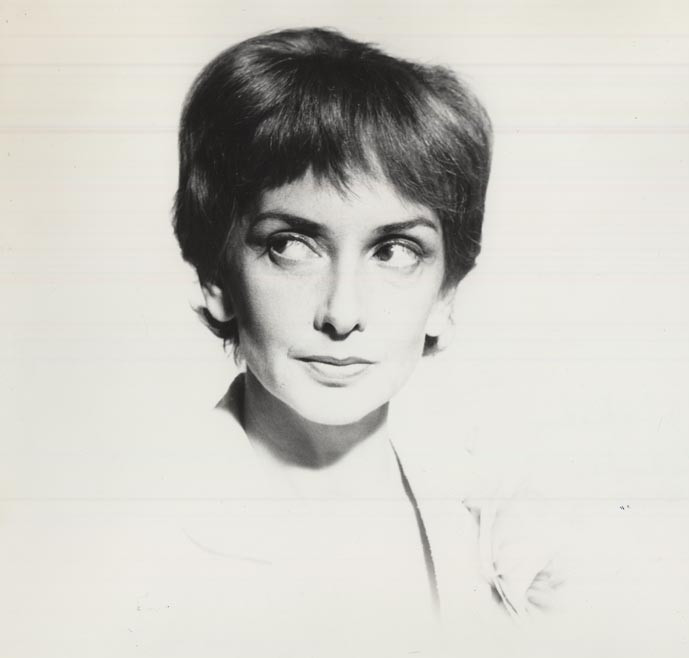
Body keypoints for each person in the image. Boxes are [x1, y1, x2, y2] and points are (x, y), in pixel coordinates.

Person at [172, 27, 563, 655]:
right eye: (290, 245)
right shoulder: (133, 543)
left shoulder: (505, 537)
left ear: (445, 293)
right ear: (216, 278)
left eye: (395, 251)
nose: (343, 313)